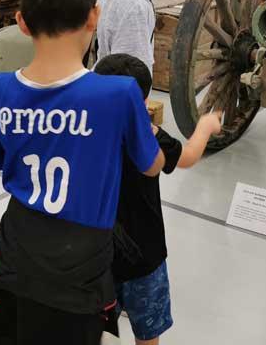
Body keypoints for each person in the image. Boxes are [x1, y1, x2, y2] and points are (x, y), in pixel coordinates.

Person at [0, 0, 165, 345]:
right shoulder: (119, 94)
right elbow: (152, 165)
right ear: (94, 17)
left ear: (21, 22)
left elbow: (4, 160)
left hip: (14, 249)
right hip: (80, 266)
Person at [94, 54, 220, 345]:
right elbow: (187, 158)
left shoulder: (83, 133)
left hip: (96, 254)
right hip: (145, 256)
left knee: (94, 327)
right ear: (144, 101)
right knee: (148, 331)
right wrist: (205, 126)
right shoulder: (149, 136)